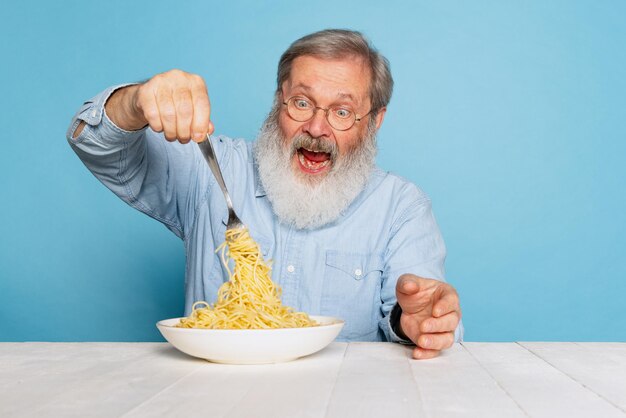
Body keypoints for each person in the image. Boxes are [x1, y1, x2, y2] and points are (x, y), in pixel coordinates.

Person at [67, 29, 463, 359]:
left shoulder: (401, 207)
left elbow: (418, 309)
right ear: (279, 101)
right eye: (302, 103)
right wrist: (136, 101)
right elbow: (96, 144)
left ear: (374, 121)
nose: (317, 128)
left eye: (342, 112)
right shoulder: (213, 171)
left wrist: (415, 322)